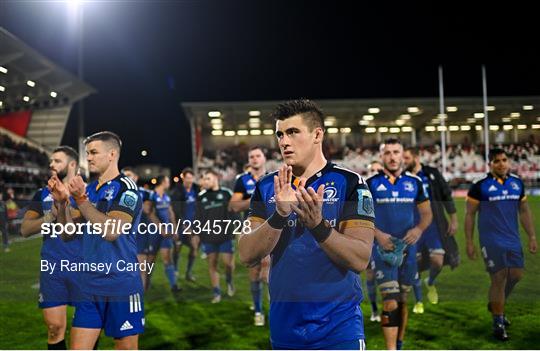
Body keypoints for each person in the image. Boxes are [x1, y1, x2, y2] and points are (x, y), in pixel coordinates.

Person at [239, 99, 375, 350]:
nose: (284, 141)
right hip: (284, 328)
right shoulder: (267, 187)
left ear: (317, 134)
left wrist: (318, 226)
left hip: (339, 330)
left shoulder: (351, 183)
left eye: (293, 132)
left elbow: (360, 259)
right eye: (280, 134)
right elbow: (247, 254)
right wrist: (279, 215)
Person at [51, 131, 144, 349]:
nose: (89, 158)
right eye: (87, 153)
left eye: (94, 152)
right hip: (89, 285)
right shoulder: (90, 190)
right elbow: (67, 234)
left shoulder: (127, 189)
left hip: (120, 285)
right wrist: (63, 204)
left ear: (112, 154)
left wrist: (81, 200)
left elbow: (111, 231)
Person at [366, 138, 432, 350]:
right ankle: (391, 348)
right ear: (381, 157)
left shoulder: (414, 183)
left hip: (408, 251)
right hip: (382, 251)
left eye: (396, 152)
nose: (392, 157)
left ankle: (399, 343)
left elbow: (426, 213)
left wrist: (419, 229)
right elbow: (362, 218)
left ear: (403, 155)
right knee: (390, 300)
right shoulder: (371, 184)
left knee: (403, 300)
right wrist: (378, 234)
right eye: (388, 153)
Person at [465, 148, 537, 341]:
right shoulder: (480, 186)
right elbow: (470, 215)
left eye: (504, 160)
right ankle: (498, 321)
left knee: (516, 275)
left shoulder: (516, 184)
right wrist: (470, 242)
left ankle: (496, 303)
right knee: (498, 277)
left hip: (512, 239)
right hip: (490, 240)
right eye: (497, 161)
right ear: (490, 164)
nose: (502, 164)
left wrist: (531, 236)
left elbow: (523, 211)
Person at [20, 146, 85, 350]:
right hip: (52, 266)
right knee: (55, 328)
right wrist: (51, 215)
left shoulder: (87, 192)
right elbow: (25, 229)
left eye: (57, 161)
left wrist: (65, 205)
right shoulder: (42, 194)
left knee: (85, 330)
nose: (51, 165)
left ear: (72, 164)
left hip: (82, 266)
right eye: (51, 161)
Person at [403, 146, 459, 313]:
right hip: (412, 226)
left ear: (416, 157)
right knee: (416, 263)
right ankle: (418, 299)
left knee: (437, 261)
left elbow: (446, 195)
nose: (403, 162)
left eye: (406, 158)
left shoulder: (431, 173)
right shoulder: (401, 177)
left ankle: (431, 282)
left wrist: (453, 218)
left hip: (434, 225)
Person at [229, 146, 269, 326]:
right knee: (255, 271)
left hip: (274, 229)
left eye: (257, 156)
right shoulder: (242, 180)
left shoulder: (274, 177)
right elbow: (235, 206)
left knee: (272, 272)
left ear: (264, 158)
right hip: (252, 229)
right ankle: (258, 310)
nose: (254, 159)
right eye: (251, 156)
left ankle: (275, 307)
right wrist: (257, 200)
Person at [194, 169, 236, 303]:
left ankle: (229, 281)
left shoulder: (226, 193)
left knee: (228, 264)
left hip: (225, 236)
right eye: (204, 179)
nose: (205, 181)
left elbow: (234, 212)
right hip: (208, 237)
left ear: (216, 178)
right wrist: (196, 234)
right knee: (212, 264)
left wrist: (237, 228)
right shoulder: (201, 196)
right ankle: (216, 292)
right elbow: (198, 217)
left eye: (208, 178)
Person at [122, 167, 154, 291]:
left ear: (136, 177)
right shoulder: (118, 193)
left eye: (129, 175)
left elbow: (147, 209)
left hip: (140, 235)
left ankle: (140, 295)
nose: (126, 178)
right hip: (123, 236)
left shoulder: (144, 193)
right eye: (124, 176)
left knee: (142, 267)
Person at [148, 175, 180, 293]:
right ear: (162, 182)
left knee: (167, 258)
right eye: (167, 181)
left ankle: (174, 285)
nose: (169, 183)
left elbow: (170, 213)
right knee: (150, 261)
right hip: (153, 233)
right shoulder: (152, 195)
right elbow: (150, 213)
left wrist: (175, 228)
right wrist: (160, 228)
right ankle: (146, 282)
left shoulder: (166, 197)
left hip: (166, 233)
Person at [170, 168, 201, 282]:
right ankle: (175, 269)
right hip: (181, 225)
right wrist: (182, 224)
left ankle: (189, 272)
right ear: (183, 178)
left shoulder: (196, 189)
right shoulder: (177, 191)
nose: (190, 180)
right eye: (187, 178)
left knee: (194, 248)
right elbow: (175, 209)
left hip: (194, 225)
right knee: (177, 248)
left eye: (191, 178)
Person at [365, 159, 384, 322]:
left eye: (379, 170)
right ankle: (374, 309)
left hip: (385, 239)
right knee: (370, 275)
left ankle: (389, 309)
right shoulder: (362, 192)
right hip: (369, 240)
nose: (376, 173)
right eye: (373, 170)